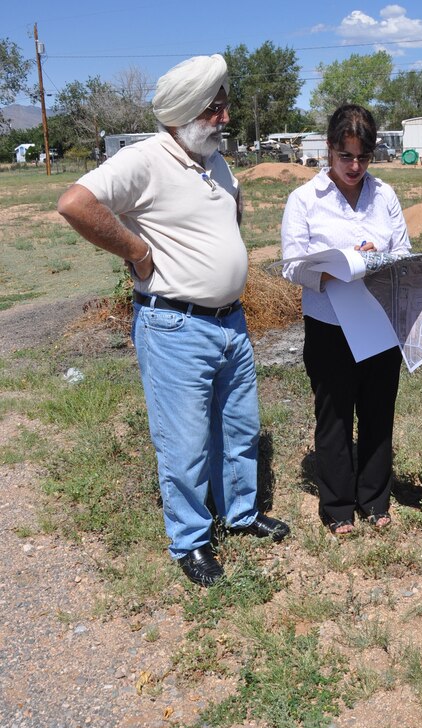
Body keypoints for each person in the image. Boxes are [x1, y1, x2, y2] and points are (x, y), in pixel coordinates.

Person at [58, 54, 289, 587]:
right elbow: (75, 203)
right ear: (183, 112)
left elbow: (229, 211)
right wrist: (138, 251)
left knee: (239, 427)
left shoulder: (213, 159)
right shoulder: (146, 159)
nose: (225, 118)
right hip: (175, 327)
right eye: (215, 109)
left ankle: (241, 513)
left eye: (224, 106)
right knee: (184, 444)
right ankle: (190, 541)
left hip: (231, 322)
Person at [281, 104, 410, 535]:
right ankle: (337, 507)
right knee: (334, 416)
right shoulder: (304, 200)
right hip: (329, 326)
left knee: (378, 412)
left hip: (379, 323)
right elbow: (291, 266)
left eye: (363, 157)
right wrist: (336, 267)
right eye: (346, 156)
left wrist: (381, 258)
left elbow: (405, 254)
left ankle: (375, 498)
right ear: (330, 149)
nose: (355, 166)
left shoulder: (385, 196)